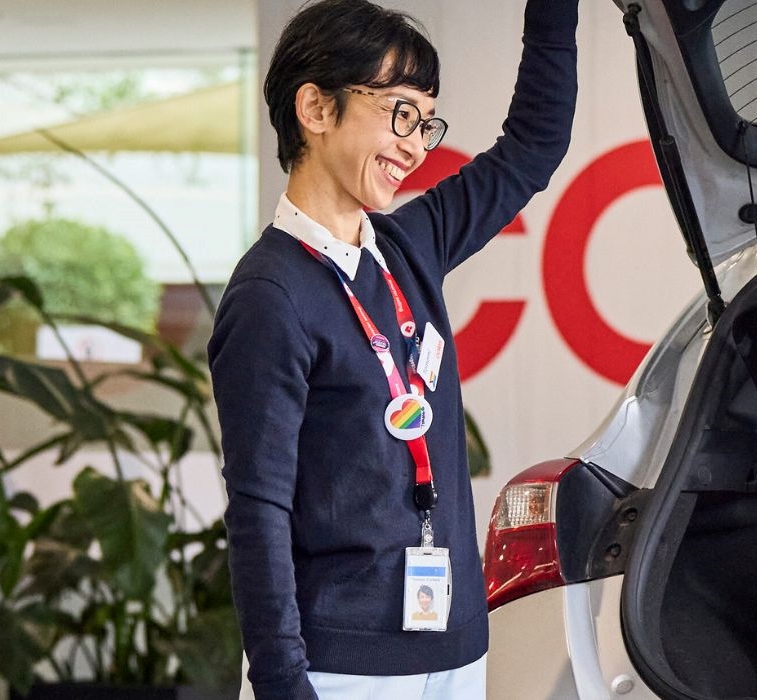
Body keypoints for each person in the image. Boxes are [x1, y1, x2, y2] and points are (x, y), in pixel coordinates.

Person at [206, 0, 574, 697]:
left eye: (425, 123)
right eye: (400, 113)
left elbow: (533, 146)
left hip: (455, 651)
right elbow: (259, 512)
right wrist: (283, 683)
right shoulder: (270, 296)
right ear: (316, 108)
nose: (415, 146)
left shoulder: (409, 248)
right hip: (343, 669)